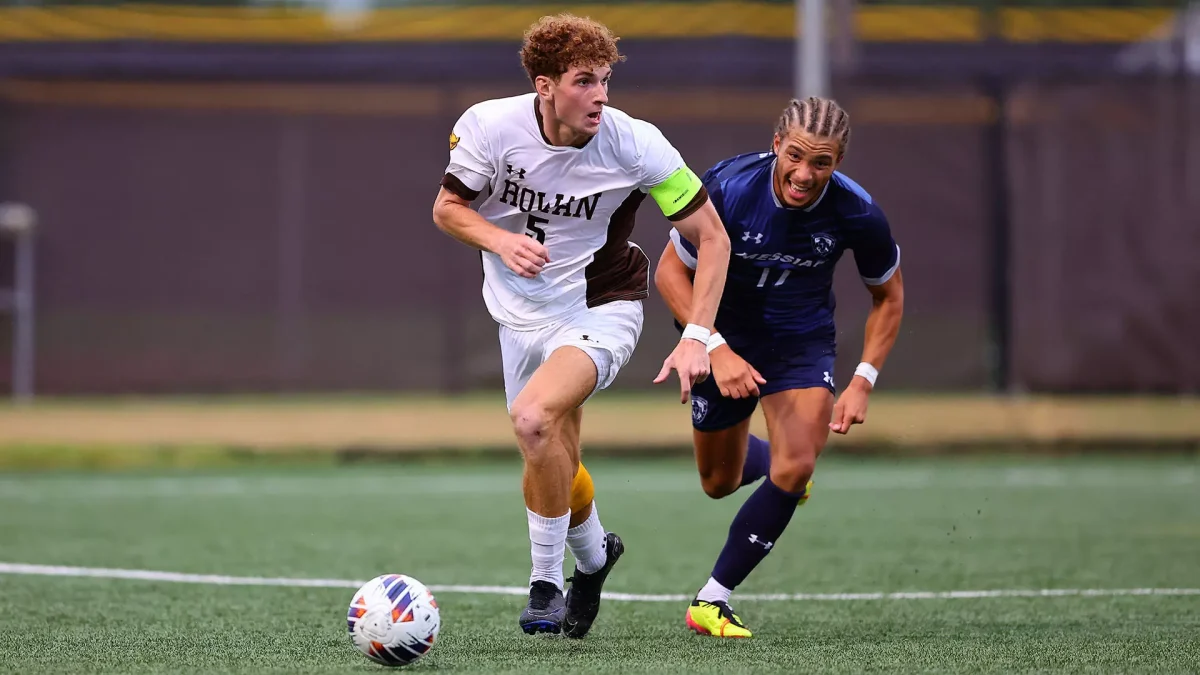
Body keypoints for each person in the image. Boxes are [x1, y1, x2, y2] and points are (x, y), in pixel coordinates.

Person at [431, 13, 731, 638]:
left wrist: (698, 337)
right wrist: (499, 241)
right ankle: (594, 560)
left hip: (602, 307)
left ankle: (544, 583)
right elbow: (448, 209)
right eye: (583, 81)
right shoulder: (489, 126)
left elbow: (713, 239)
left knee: (533, 419)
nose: (600, 95)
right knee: (549, 448)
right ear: (544, 86)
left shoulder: (636, 143)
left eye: (605, 81)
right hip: (516, 315)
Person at [654, 96, 905, 638]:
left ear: (837, 163)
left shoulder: (857, 211)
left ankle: (711, 601)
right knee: (718, 482)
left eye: (822, 163)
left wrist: (863, 381)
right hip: (724, 335)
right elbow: (672, 274)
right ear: (776, 146)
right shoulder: (726, 188)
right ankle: (781, 466)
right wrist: (717, 349)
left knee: (797, 466)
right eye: (796, 156)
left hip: (800, 345)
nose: (805, 173)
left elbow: (889, 297)